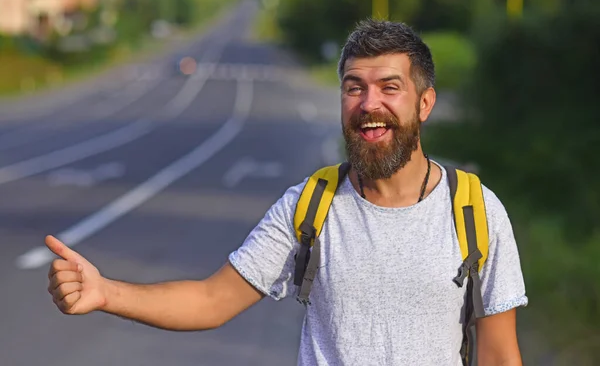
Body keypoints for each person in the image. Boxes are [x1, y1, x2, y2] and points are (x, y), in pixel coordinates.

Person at [46, 19, 528, 365]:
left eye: (389, 87)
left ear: (425, 104)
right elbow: (212, 300)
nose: (368, 103)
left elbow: (500, 353)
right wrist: (107, 292)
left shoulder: (474, 211)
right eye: (354, 87)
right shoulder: (310, 206)